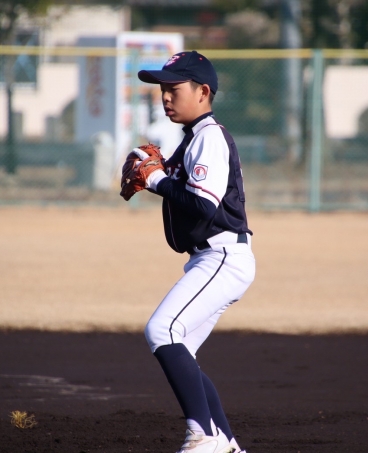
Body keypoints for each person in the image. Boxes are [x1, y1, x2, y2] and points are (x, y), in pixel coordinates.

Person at [133, 51, 255, 453]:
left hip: (223, 256)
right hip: (211, 257)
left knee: (162, 330)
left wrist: (157, 181)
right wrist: (160, 171)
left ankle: (202, 434)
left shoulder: (209, 136)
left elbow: (204, 205)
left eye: (174, 88)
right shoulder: (194, 138)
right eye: (162, 90)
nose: (166, 97)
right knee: (179, 346)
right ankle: (227, 444)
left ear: (203, 92)